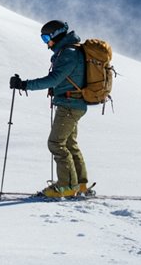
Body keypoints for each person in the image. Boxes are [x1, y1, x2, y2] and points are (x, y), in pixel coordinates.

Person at [9, 20, 90, 198]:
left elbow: (53, 79)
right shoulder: (71, 50)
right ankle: (80, 185)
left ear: (57, 35)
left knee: (56, 143)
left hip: (69, 105)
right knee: (69, 144)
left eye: (46, 37)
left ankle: (66, 186)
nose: (46, 42)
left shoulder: (68, 53)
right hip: (73, 103)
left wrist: (24, 85)